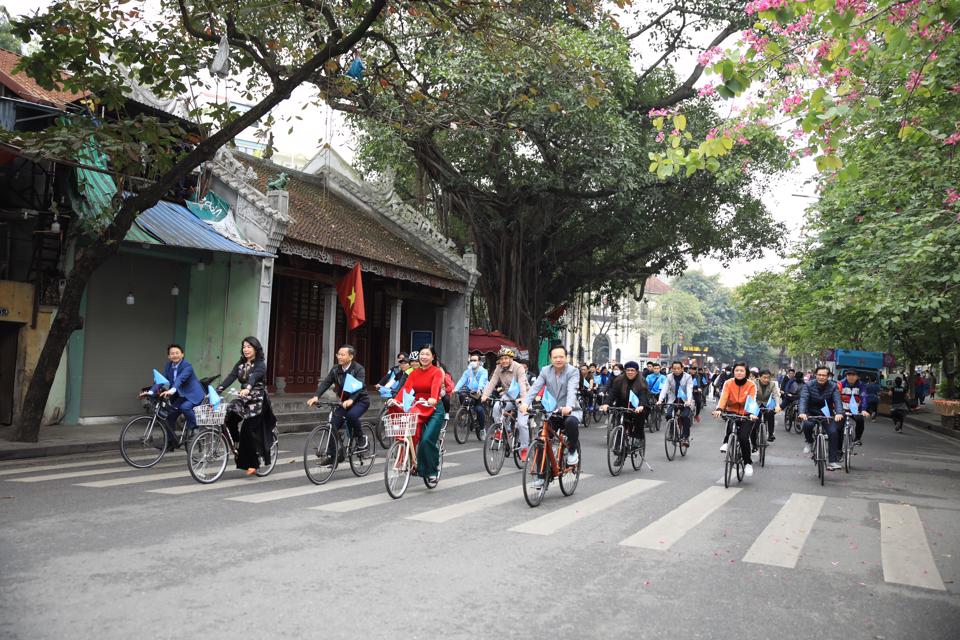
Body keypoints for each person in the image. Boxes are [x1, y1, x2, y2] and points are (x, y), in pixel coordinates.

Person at [520, 344, 582, 488]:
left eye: (561, 356)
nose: (558, 359)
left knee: (571, 423)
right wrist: (525, 403)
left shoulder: (573, 371)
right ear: (551, 359)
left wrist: (569, 407)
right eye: (555, 357)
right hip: (552, 411)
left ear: (566, 358)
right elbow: (535, 388)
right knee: (542, 437)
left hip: (569, 410)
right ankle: (542, 476)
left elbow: (572, 389)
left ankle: (572, 451)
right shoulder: (545, 371)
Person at [217, 337, 276, 475]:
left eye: (249, 346)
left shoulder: (260, 364)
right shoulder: (241, 363)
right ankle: (238, 444)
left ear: (256, 348)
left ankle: (254, 463)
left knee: (247, 429)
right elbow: (231, 377)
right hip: (243, 397)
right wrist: (217, 389)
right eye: (244, 346)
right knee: (229, 417)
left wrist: (248, 387)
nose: (246, 349)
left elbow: (254, 377)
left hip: (257, 400)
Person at [390, 345, 446, 482]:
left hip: (434, 408)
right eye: (422, 354)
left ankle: (432, 471)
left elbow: (436, 386)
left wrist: (433, 398)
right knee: (409, 432)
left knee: (426, 439)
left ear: (433, 357)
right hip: (418, 406)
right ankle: (412, 462)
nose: (424, 357)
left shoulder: (437, 372)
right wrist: (395, 400)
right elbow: (406, 389)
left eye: (427, 354)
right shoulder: (414, 373)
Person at [307, 344, 370, 463]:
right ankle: (333, 456)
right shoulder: (336, 369)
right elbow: (326, 383)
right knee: (332, 424)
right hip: (343, 402)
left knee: (351, 415)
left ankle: (361, 438)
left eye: (342, 354)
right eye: (338, 354)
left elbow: (359, 386)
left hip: (360, 400)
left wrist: (351, 399)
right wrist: (316, 396)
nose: (339, 357)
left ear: (350, 356)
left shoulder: (358, 369)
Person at [140, 344, 206, 451]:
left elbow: (180, 379)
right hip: (180, 396)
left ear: (182, 354)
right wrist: (151, 392)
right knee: (169, 416)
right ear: (169, 356)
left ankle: (195, 428)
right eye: (172, 353)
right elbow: (161, 380)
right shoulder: (168, 366)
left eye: (177, 353)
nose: (174, 355)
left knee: (185, 407)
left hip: (193, 395)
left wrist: (172, 390)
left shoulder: (187, 366)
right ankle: (170, 443)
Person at [481, 347, 531, 461]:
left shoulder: (519, 368)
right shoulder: (499, 368)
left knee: (522, 424)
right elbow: (492, 382)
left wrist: (523, 399)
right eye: (502, 359)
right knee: (496, 408)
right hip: (509, 395)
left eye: (506, 358)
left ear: (511, 358)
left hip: (523, 396)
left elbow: (522, 384)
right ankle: (502, 429)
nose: (504, 361)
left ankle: (524, 449)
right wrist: (485, 395)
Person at [714, 362, 759, 478]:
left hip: (747, 414)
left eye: (742, 371)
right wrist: (719, 409)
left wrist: (753, 414)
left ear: (746, 373)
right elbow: (724, 396)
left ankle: (748, 463)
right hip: (732, 411)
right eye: (737, 370)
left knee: (744, 438)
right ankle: (726, 442)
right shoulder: (728, 383)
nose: (739, 373)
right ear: (733, 372)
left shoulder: (751, 385)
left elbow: (752, 400)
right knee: (730, 422)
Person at [798, 366, 845, 471]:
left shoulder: (833, 386)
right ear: (815, 375)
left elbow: (837, 400)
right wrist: (802, 412)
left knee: (833, 432)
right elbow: (804, 399)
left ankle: (832, 461)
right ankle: (809, 441)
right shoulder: (808, 385)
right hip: (810, 412)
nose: (821, 377)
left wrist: (839, 413)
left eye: (824, 375)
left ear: (828, 376)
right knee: (807, 425)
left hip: (826, 414)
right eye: (819, 375)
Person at [601, 360, 649, 449]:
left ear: (637, 371)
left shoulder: (641, 381)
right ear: (625, 371)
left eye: (632, 370)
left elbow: (643, 395)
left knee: (640, 417)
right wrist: (606, 404)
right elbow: (612, 393)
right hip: (622, 405)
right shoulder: (619, 380)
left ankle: (638, 438)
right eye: (628, 370)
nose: (630, 372)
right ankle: (618, 449)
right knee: (620, 424)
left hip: (636, 407)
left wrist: (641, 405)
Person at [659, 361, 695, 446]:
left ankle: (685, 437)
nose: (676, 370)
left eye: (678, 368)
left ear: (682, 369)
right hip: (673, 400)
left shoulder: (688, 377)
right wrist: (660, 400)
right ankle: (672, 431)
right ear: (671, 369)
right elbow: (664, 389)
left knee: (684, 416)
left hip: (685, 400)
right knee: (668, 415)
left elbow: (689, 389)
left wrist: (689, 401)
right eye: (674, 369)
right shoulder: (669, 377)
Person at [454, 349, 488, 427]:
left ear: (479, 362)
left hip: (480, 392)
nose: (472, 362)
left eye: (475, 360)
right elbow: (462, 380)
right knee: (462, 394)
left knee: (479, 410)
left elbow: (482, 381)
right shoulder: (467, 371)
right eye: (471, 360)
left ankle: (482, 429)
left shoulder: (483, 371)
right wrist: (455, 389)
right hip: (470, 392)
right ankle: (465, 411)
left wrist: (480, 389)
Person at [838, 369, 871, 446]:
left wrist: (863, 410)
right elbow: (836, 397)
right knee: (838, 428)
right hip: (842, 410)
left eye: (853, 375)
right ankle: (838, 450)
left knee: (860, 420)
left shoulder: (861, 385)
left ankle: (857, 439)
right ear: (846, 376)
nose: (851, 377)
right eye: (849, 375)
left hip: (855, 410)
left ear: (857, 377)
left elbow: (864, 398)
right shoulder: (840, 384)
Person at [753, 369, 782, 446]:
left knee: (770, 414)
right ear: (759, 377)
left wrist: (777, 405)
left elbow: (776, 395)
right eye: (764, 377)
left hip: (767, 404)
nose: (766, 380)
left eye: (768, 378)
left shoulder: (772, 384)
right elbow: (751, 395)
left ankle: (770, 433)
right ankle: (754, 436)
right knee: (755, 420)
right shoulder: (753, 383)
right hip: (756, 403)